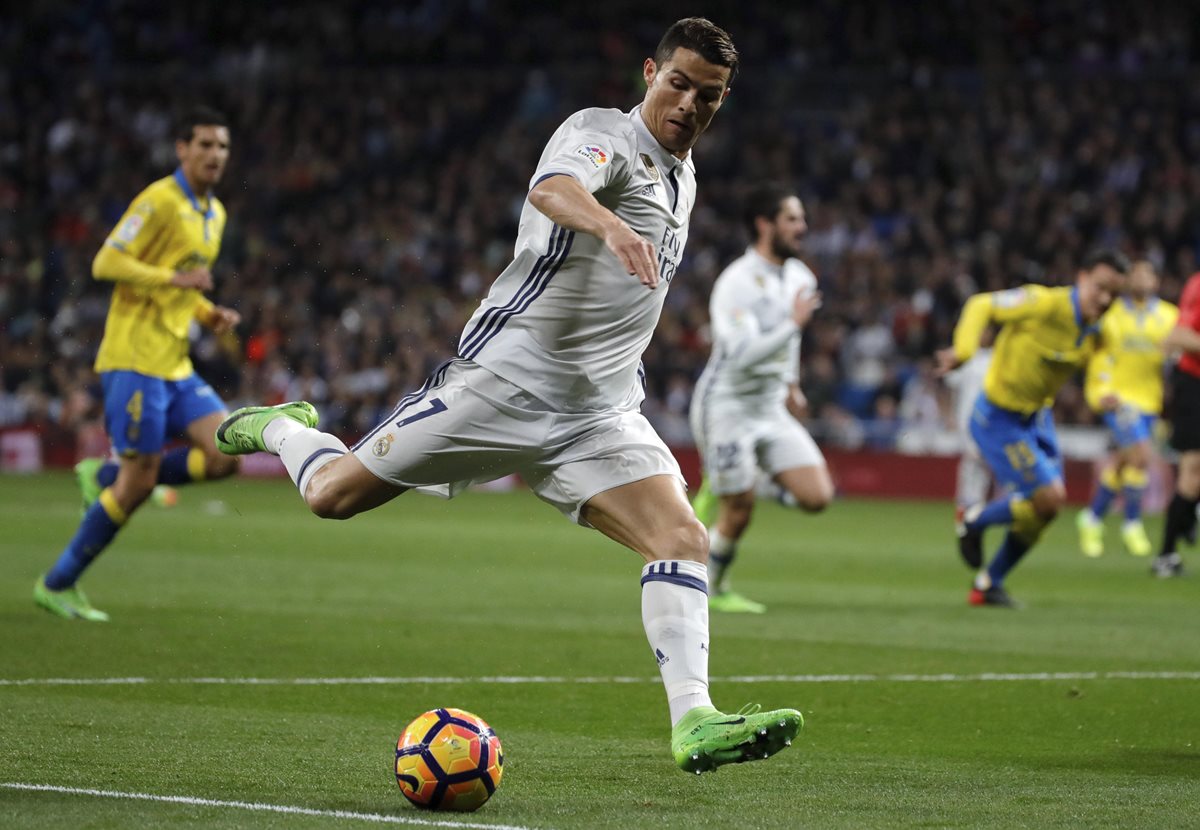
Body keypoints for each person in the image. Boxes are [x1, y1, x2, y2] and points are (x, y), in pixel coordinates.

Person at [215, 19, 802, 774]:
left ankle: (695, 723)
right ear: (650, 71)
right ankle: (278, 427)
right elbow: (554, 188)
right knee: (332, 495)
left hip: (599, 412)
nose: (688, 103)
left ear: (724, 101)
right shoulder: (603, 136)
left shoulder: (685, 179)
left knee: (685, 540)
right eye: (678, 83)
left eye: (708, 95)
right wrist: (611, 225)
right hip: (502, 384)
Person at [34, 107, 244, 621]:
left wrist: (206, 312)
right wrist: (172, 281)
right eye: (205, 145)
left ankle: (104, 474)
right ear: (181, 148)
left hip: (175, 362)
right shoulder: (159, 201)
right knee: (139, 485)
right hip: (134, 360)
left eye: (222, 147)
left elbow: (187, 281)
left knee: (225, 455)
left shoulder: (213, 214)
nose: (215, 155)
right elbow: (106, 261)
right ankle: (57, 584)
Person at [936, 250, 1128, 607]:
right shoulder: (1042, 303)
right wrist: (964, 351)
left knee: (1046, 511)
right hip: (997, 418)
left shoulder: (1102, 330)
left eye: (1113, 295)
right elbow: (981, 305)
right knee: (1050, 497)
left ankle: (987, 584)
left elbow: (1101, 373)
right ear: (1081, 277)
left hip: (1038, 418)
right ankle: (974, 519)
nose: (1104, 300)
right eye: (1100, 288)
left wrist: (1102, 395)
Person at [687, 184, 830, 614]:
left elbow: (790, 345)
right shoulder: (737, 282)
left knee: (817, 496)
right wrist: (792, 323)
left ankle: (738, 476)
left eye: (801, 218)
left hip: (769, 406)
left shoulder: (802, 276)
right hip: (727, 404)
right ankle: (714, 585)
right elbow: (741, 353)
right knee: (738, 510)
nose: (802, 227)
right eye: (791, 218)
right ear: (764, 224)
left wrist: (791, 384)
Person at [1076, 260, 1178, 558]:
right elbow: (1095, 355)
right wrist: (1099, 391)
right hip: (1117, 398)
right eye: (1136, 274)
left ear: (1156, 281)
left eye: (1148, 274)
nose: (1142, 279)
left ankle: (1093, 517)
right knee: (1142, 456)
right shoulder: (1111, 315)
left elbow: (1175, 356)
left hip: (1150, 400)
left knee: (1127, 461)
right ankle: (1132, 522)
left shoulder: (1169, 317)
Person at [1154, 270, 1200, 577]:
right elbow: (1178, 336)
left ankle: (1187, 520)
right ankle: (1166, 555)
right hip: (1195, 385)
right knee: (1193, 470)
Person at [943, 335, 994, 523]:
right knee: (971, 458)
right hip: (965, 418)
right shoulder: (965, 354)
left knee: (983, 461)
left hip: (989, 418)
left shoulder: (998, 357)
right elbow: (951, 386)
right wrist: (949, 414)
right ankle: (966, 504)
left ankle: (975, 504)